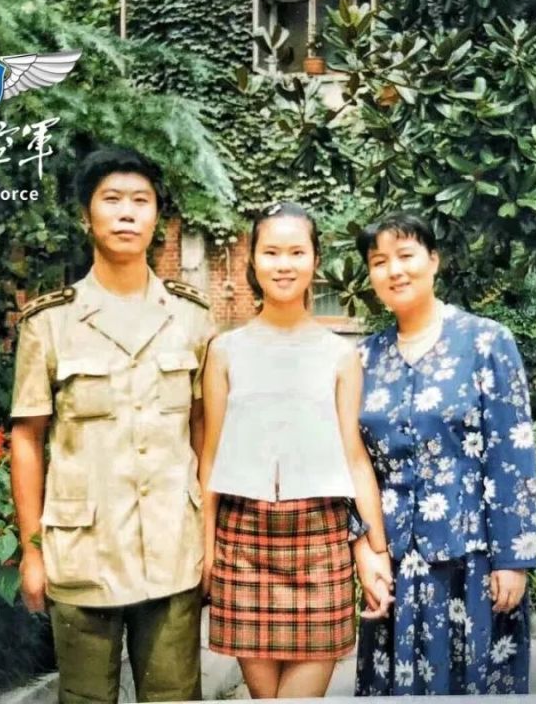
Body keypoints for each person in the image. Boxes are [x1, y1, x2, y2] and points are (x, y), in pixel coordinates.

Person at [10, 147, 216, 702]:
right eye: (112, 199)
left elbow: (204, 432)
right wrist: (32, 551)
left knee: (175, 697)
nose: (127, 213)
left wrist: (209, 540)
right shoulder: (50, 323)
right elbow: (27, 438)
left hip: (173, 547)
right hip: (83, 550)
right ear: (86, 216)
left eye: (140, 201)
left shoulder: (191, 318)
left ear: (157, 219)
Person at [200, 202, 394, 699]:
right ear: (253, 260)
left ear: (315, 260)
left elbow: (354, 457)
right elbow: (211, 457)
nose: (283, 264)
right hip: (243, 541)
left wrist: (376, 553)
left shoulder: (340, 354)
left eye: (296, 252)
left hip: (320, 541)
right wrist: (206, 548)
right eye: (270, 252)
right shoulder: (225, 351)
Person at [352, 211, 536, 696]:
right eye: (379, 261)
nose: (394, 270)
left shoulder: (486, 342)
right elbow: (350, 463)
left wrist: (513, 559)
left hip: (472, 560)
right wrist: (365, 549)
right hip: (392, 561)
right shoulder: (363, 358)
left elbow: (513, 453)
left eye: (406, 255)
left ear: (433, 260)